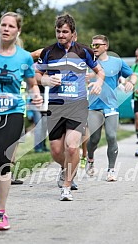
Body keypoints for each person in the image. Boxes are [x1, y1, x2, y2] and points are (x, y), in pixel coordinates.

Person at [35, 13, 105, 201]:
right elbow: (36, 74)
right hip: (56, 107)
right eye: (58, 31)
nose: (61, 35)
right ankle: (66, 168)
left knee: (72, 147)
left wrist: (99, 82)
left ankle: (66, 185)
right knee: (57, 151)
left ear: (73, 33)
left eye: (65, 31)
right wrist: (45, 79)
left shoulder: (84, 52)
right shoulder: (48, 52)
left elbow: (100, 71)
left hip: (78, 105)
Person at [0, 12, 42, 230]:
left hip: (12, 113)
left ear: (17, 30)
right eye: (3, 24)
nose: (6, 28)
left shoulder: (23, 58)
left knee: (1, 158)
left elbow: (32, 83)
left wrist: (36, 94)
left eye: (11, 26)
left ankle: (1, 213)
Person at [86, 34, 137, 181]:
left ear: (106, 46)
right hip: (94, 106)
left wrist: (131, 83)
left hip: (111, 105)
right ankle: (90, 159)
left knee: (111, 136)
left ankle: (111, 169)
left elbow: (132, 75)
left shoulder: (117, 62)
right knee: (94, 139)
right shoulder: (88, 62)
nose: (94, 47)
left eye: (97, 45)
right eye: (92, 45)